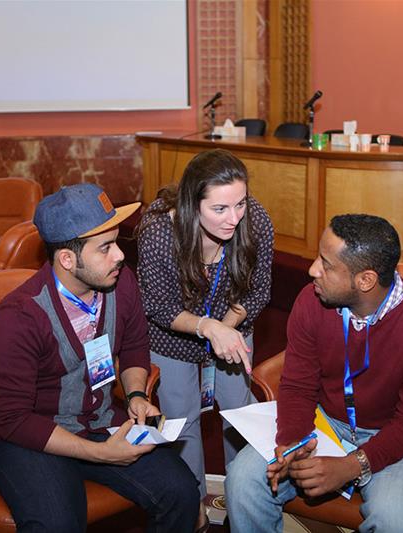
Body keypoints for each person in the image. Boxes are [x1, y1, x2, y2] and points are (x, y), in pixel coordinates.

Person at [0, 184, 198, 532]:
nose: (120, 256)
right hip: (29, 436)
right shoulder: (18, 317)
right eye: (105, 248)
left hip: (96, 420)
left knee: (182, 491)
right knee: (58, 524)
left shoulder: (121, 283)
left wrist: (136, 395)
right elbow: (13, 419)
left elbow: (135, 346)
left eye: (117, 243)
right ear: (68, 259)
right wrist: (100, 454)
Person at [225, 214, 403, 533]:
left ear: (365, 280)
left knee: (393, 519)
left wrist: (351, 465)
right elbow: (298, 385)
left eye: (326, 264)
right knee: (243, 480)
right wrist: (292, 442)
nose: (312, 270)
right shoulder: (311, 301)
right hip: (329, 422)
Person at [136, 149, 274, 522]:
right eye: (219, 209)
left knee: (239, 412)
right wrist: (207, 327)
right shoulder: (158, 232)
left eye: (240, 203)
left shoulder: (255, 220)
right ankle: (191, 505)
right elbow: (158, 307)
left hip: (233, 323)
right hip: (173, 336)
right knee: (181, 419)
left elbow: (257, 291)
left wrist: (224, 328)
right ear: (191, 203)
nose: (234, 218)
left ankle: (245, 495)